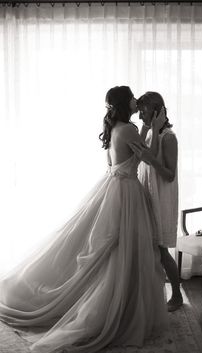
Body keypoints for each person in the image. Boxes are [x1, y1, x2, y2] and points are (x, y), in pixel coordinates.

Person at [0, 86, 168, 353]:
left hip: (114, 188)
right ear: (126, 103)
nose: (137, 101)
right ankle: (115, 308)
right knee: (121, 251)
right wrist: (156, 127)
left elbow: (129, 155)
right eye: (133, 97)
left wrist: (148, 132)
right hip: (127, 194)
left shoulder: (117, 129)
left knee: (110, 250)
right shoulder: (130, 130)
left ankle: (117, 301)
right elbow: (147, 157)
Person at [129, 91, 183, 312]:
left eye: (143, 111)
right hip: (148, 196)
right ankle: (152, 296)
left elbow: (169, 175)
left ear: (157, 109)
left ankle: (177, 296)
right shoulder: (151, 134)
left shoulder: (168, 137)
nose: (140, 116)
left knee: (161, 250)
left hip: (162, 199)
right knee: (151, 249)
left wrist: (151, 160)